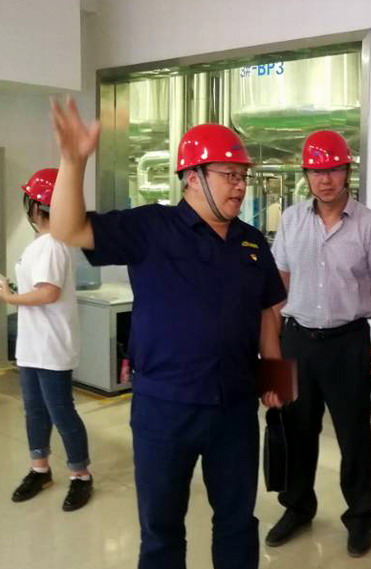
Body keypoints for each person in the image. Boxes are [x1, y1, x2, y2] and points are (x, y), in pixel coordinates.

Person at [48, 98, 286, 569]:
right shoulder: (150, 227)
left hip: (235, 407)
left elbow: (268, 312)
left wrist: (276, 379)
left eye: (243, 176)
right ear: (192, 177)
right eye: (230, 175)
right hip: (165, 407)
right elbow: (68, 228)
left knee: (238, 521)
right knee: (161, 529)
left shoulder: (252, 241)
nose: (241, 185)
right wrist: (73, 162)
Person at [266, 130, 371, 557]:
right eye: (316, 171)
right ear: (306, 174)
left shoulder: (370, 224)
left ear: (347, 172)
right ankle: (297, 507)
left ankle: (359, 517)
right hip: (296, 340)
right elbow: (278, 285)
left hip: (347, 343)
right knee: (296, 430)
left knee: (354, 436)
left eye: (333, 170)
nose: (325, 180)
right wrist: (272, 353)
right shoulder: (290, 220)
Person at [1, 168, 93, 512]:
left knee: (61, 411)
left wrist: (9, 298)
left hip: (52, 346)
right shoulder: (40, 245)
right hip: (32, 345)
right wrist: (13, 290)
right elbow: (38, 290)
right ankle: (40, 469)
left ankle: (81, 475)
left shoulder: (53, 245)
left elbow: (48, 293)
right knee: (35, 411)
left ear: (34, 206)